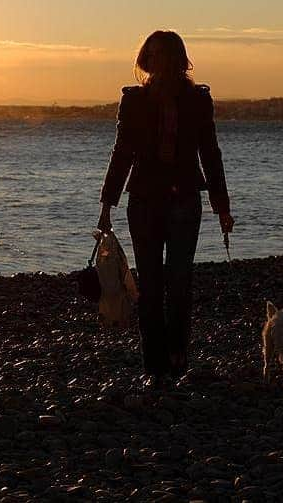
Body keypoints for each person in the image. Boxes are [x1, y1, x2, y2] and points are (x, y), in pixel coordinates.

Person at [98, 30, 233, 387]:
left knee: (179, 281)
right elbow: (121, 153)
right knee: (151, 284)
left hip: (186, 199)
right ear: (147, 59)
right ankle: (153, 364)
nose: (160, 62)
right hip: (143, 200)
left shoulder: (198, 100)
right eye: (154, 55)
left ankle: (177, 356)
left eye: (166, 55)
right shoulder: (134, 101)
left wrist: (222, 206)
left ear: (179, 59)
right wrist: (107, 204)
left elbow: (211, 154)